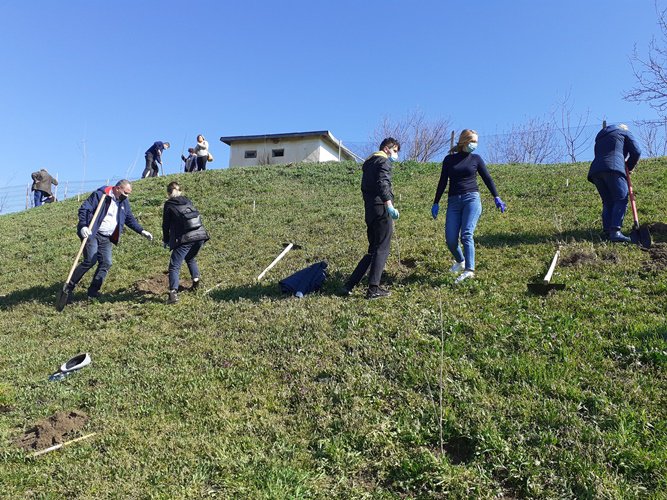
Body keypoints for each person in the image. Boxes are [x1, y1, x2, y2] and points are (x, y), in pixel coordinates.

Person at [431, 129, 506, 284]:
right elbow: (442, 181)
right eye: (473, 141)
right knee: (450, 240)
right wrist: (436, 202)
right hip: (453, 202)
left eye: (476, 142)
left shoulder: (476, 159)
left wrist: (496, 197)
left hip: (472, 199)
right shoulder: (449, 160)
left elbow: (487, 178)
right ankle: (461, 261)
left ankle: (469, 270)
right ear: (464, 141)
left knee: (466, 234)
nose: (475, 145)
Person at [62, 180, 153, 301]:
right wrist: (84, 225)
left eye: (129, 193)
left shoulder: (123, 202)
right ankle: (68, 288)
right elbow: (84, 209)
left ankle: (93, 292)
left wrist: (141, 231)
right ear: (117, 188)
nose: (127, 196)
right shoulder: (101, 195)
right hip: (92, 232)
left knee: (106, 262)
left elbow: (129, 219)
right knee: (90, 260)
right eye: (125, 192)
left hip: (106, 237)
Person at [343, 137, 401, 299]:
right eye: (395, 151)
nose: (395, 155)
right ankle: (373, 289)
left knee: (372, 250)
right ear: (387, 148)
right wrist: (389, 205)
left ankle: (349, 284)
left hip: (369, 210)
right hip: (382, 208)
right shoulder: (383, 162)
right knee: (382, 248)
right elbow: (383, 184)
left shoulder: (368, 164)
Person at [587, 123, 642, 242]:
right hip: (613, 169)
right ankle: (615, 232)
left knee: (608, 201)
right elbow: (636, 151)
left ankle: (607, 231)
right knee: (621, 199)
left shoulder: (600, 137)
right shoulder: (624, 132)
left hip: (596, 171)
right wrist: (629, 166)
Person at [162, 181, 210, 304]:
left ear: (168, 193)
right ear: (180, 191)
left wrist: (166, 239)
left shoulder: (169, 204)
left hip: (185, 238)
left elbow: (165, 225)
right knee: (190, 257)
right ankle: (196, 282)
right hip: (200, 235)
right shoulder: (188, 201)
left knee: (174, 265)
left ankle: (173, 294)